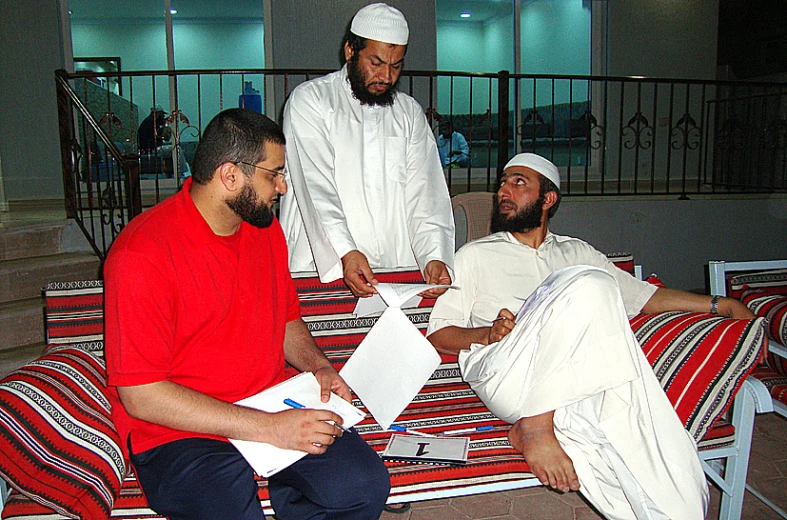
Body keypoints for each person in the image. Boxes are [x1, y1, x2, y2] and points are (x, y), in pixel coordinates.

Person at [426, 153, 755, 520]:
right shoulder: (474, 256)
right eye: (503, 182)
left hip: (573, 381)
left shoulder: (576, 251)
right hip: (510, 372)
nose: (504, 190)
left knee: (671, 472)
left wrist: (717, 305)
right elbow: (439, 334)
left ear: (547, 199)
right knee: (591, 284)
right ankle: (535, 426)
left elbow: (643, 297)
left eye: (518, 182)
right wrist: (488, 333)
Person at [104, 109, 390, 520]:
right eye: (274, 174)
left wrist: (318, 367)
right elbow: (142, 395)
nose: (283, 187)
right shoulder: (142, 255)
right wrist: (270, 429)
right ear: (230, 176)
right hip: (181, 432)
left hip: (271, 400)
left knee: (363, 486)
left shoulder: (262, 229)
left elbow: (286, 319)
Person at [280, 3, 455, 298]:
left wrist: (434, 255)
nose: (386, 76)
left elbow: (426, 193)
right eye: (376, 63)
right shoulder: (311, 101)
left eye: (396, 65)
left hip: (396, 270)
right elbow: (316, 186)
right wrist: (345, 251)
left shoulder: (409, 113)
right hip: (327, 269)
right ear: (350, 51)